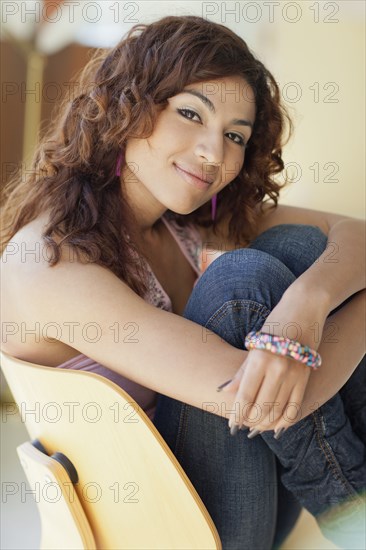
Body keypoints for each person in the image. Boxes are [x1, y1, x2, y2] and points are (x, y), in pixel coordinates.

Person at [1, 15, 365, 550]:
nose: (214, 154)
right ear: (129, 105)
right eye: (191, 113)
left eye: (235, 137)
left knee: (303, 254)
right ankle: (352, 511)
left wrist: (309, 302)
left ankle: (352, 513)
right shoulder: (48, 260)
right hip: (174, 525)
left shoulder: (187, 224)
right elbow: (267, 402)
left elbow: (356, 235)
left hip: (257, 490)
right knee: (245, 279)